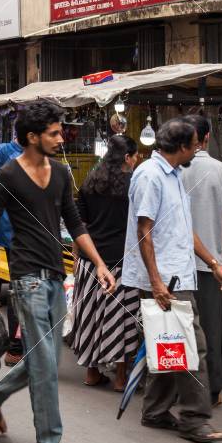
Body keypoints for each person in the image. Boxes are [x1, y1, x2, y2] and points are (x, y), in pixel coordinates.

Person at [0, 100, 115, 443]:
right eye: (53, 132)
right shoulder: (8, 175)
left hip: (55, 277)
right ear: (32, 137)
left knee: (43, 359)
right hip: (26, 279)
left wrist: (98, 263)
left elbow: (75, 222)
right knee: (47, 366)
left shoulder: (64, 173)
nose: (60, 136)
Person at [121, 118, 222, 443]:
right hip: (166, 279)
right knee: (191, 345)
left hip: (179, 273)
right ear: (183, 147)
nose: (198, 149)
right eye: (195, 144)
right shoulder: (150, 176)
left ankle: (155, 411)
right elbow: (144, 231)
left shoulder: (176, 176)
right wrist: (156, 283)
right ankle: (195, 419)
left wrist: (213, 263)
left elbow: (185, 230)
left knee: (168, 343)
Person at [71, 134, 142, 391]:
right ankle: (121, 377)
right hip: (123, 262)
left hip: (92, 261)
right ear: (126, 157)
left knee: (90, 316)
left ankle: (92, 372)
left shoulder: (91, 181)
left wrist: (78, 255)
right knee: (122, 318)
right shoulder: (134, 184)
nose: (136, 161)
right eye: (135, 156)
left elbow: (79, 223)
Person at [181, 115, 222, 405]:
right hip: (209, 266)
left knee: (180, 328)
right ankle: (212, 389)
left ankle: (181, 388)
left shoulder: (174, 170)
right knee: (210, 330)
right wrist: (220, 257)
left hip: (178, 265)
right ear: (206, 138)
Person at [0, 116, 25, 365]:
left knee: (18, 287)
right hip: (19, 233)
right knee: (21, 289)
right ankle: (16, 345)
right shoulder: (22, 160)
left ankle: (17, 344)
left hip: (8, 230)